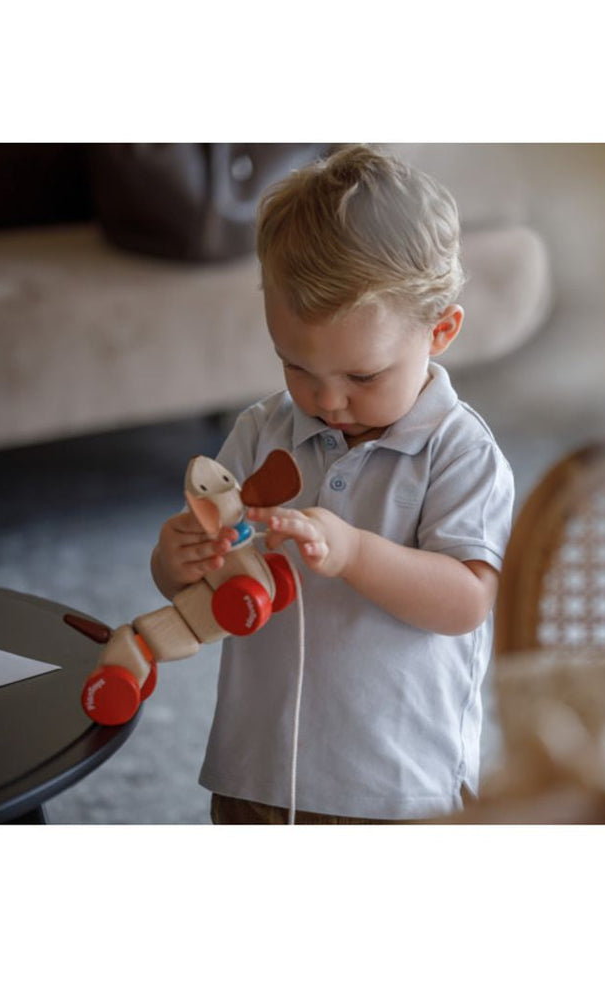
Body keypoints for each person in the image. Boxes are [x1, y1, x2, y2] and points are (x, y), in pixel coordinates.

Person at [150, 144, 515, 824]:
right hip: (257, 771)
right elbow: (209, 588)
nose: (326, 400)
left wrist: (354, 554)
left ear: (440, 332)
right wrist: (177, 564)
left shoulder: (462, 454)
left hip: (399, 786)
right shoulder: (261, 433)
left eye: (363, 376)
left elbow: (466, 602)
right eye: (297, 367)